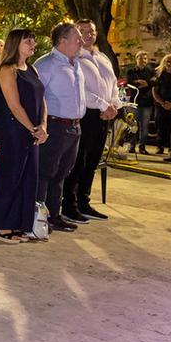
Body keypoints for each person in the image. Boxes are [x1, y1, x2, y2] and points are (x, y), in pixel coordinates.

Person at [0, 28, 47, 243]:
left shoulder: (31, 69)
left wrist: (43, 125)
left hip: (32, 131)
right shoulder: (7, 69)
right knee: (10, 178)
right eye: (27, 41)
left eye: (33, 40)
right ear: (15, 43)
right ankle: (2, 225)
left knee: (28, 178)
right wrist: (34, 128)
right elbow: (14, 105)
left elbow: (42, 100)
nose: (33, 43)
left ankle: (20, 224)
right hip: (14, 130)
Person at [61, 19, 119, 223]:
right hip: (86, 114)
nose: (88, 34)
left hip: (105, 115)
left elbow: (113, 83)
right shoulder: (75, 58)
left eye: (91, 31)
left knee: (93, 160)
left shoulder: (102, 57)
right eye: (82, 31)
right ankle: (69, 204)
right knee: (78, 161)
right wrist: (103, 105)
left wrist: (114, 105)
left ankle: (84, 201)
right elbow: (80, 88)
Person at [34, 23, 88, 233]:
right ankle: (37, 217)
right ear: (63, 41)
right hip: (55, 126)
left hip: (74, 127)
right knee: (46, 173)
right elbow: (36, 98)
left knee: (61, 174)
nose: (81, 41)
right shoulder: (46, 65)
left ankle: (54, 216)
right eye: (77, 38)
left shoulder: (76, 64)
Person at [124, 51, 155, 154]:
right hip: (135, 102)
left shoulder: (151, 71)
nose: (143, 61)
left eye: (145, 59)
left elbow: (155, 81)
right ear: (136, 59)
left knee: (144, 127)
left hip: (147, 103)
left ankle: (142, 147)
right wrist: (145, 83)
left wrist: (147, 83)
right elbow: (130, 83)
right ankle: (132, 146)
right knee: (133, 126)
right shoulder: (131, 71)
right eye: (141, 58)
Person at [153, 54, 171, 155]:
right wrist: (162, 103)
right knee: (160, 126)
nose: (169, 64)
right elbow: (154, 91)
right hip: (161, 104)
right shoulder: (159, 74)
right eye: (167, 61)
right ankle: (160, 147)